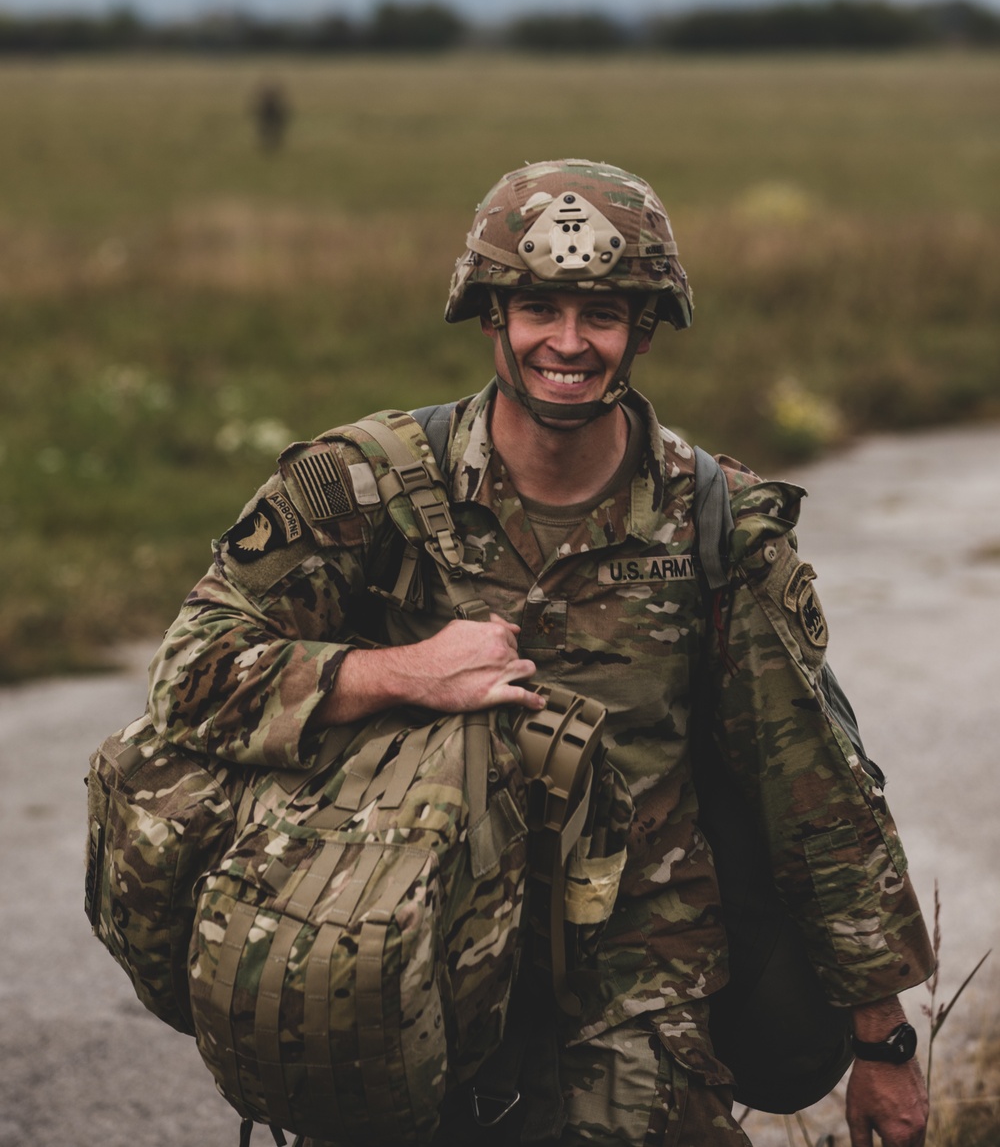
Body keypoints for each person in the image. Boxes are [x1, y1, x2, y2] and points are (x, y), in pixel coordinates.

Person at [149, 160, 935, 1146]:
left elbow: (815, 786)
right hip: (398, 966)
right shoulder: (362, 489)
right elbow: (190, 673)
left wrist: (882, 1041)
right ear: (491, 315)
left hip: (638, 995)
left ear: (641, 329)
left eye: (601, 312)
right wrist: (396, 671)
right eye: (537, 307)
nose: (567, 341)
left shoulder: (717, 522)